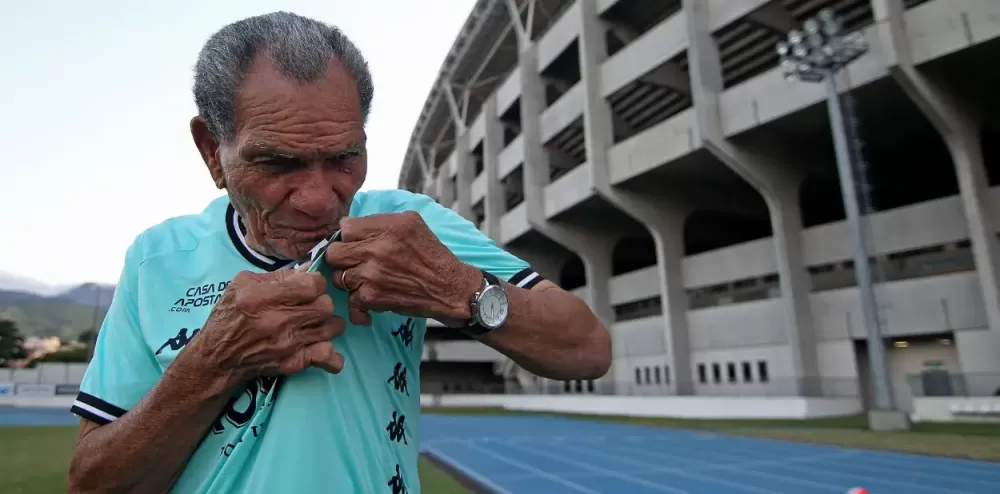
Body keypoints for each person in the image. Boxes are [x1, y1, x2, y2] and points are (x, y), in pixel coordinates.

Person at [67, 11, 611, 494]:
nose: (317, 199)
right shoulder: (156, 259)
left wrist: (458, 288)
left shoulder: (406, 224)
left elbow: (586, 349)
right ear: (213, 151)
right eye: (277, 164)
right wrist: (215, 361)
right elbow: (93, 483)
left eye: (343, 157)